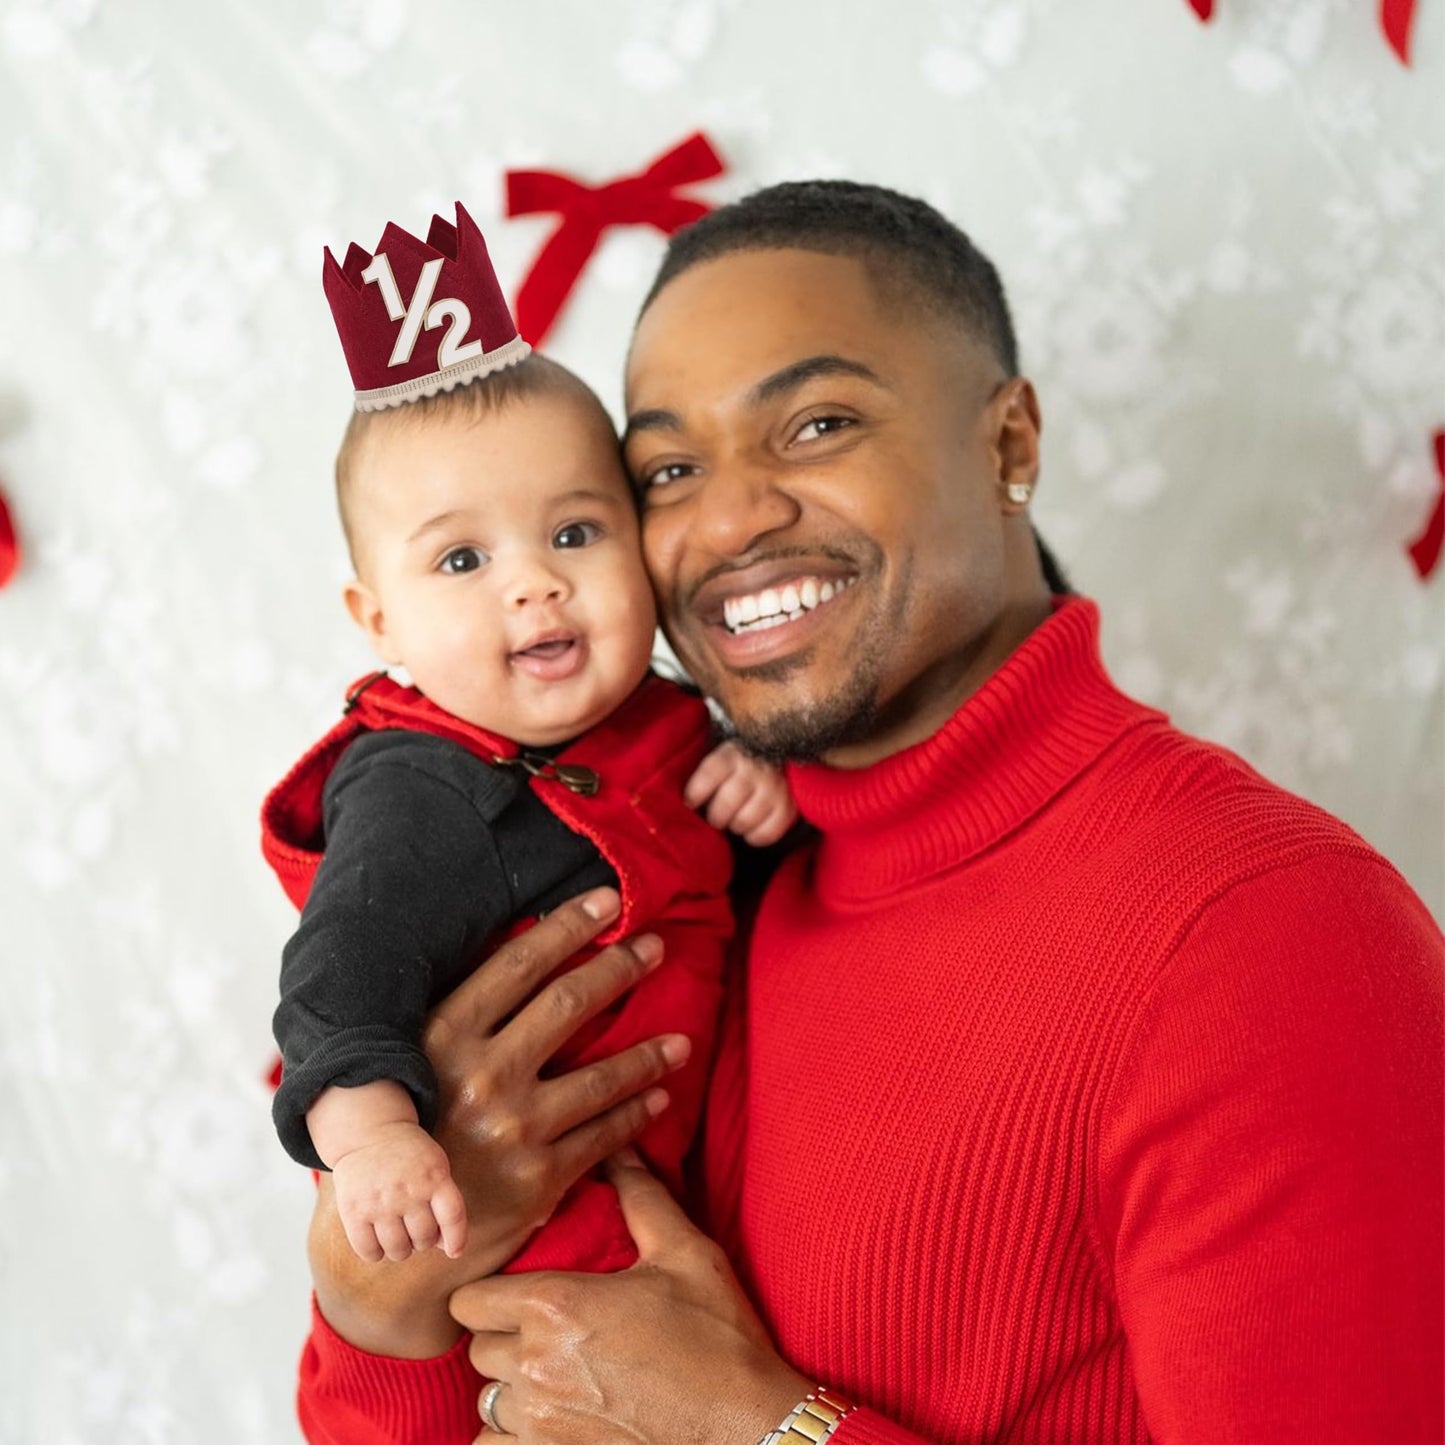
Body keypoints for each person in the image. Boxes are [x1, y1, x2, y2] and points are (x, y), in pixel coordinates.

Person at [293, 182, 1445, 1444]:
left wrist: (756, 1426)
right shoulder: (703, 876)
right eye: (669, 467)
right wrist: (377, 1307)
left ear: (1008, 445)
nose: (728, 519)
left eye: (816, 423)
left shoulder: (1266, 934)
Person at [262, 203, 793, 1278]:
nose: (533, 580)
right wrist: (374, 1143)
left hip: (694, 1169)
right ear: (379, 621)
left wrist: (758, 781)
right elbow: (339, 976)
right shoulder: (427, 788)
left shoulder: (671, 718)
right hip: (535, 1217)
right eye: (461, 561)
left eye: (573, 531)